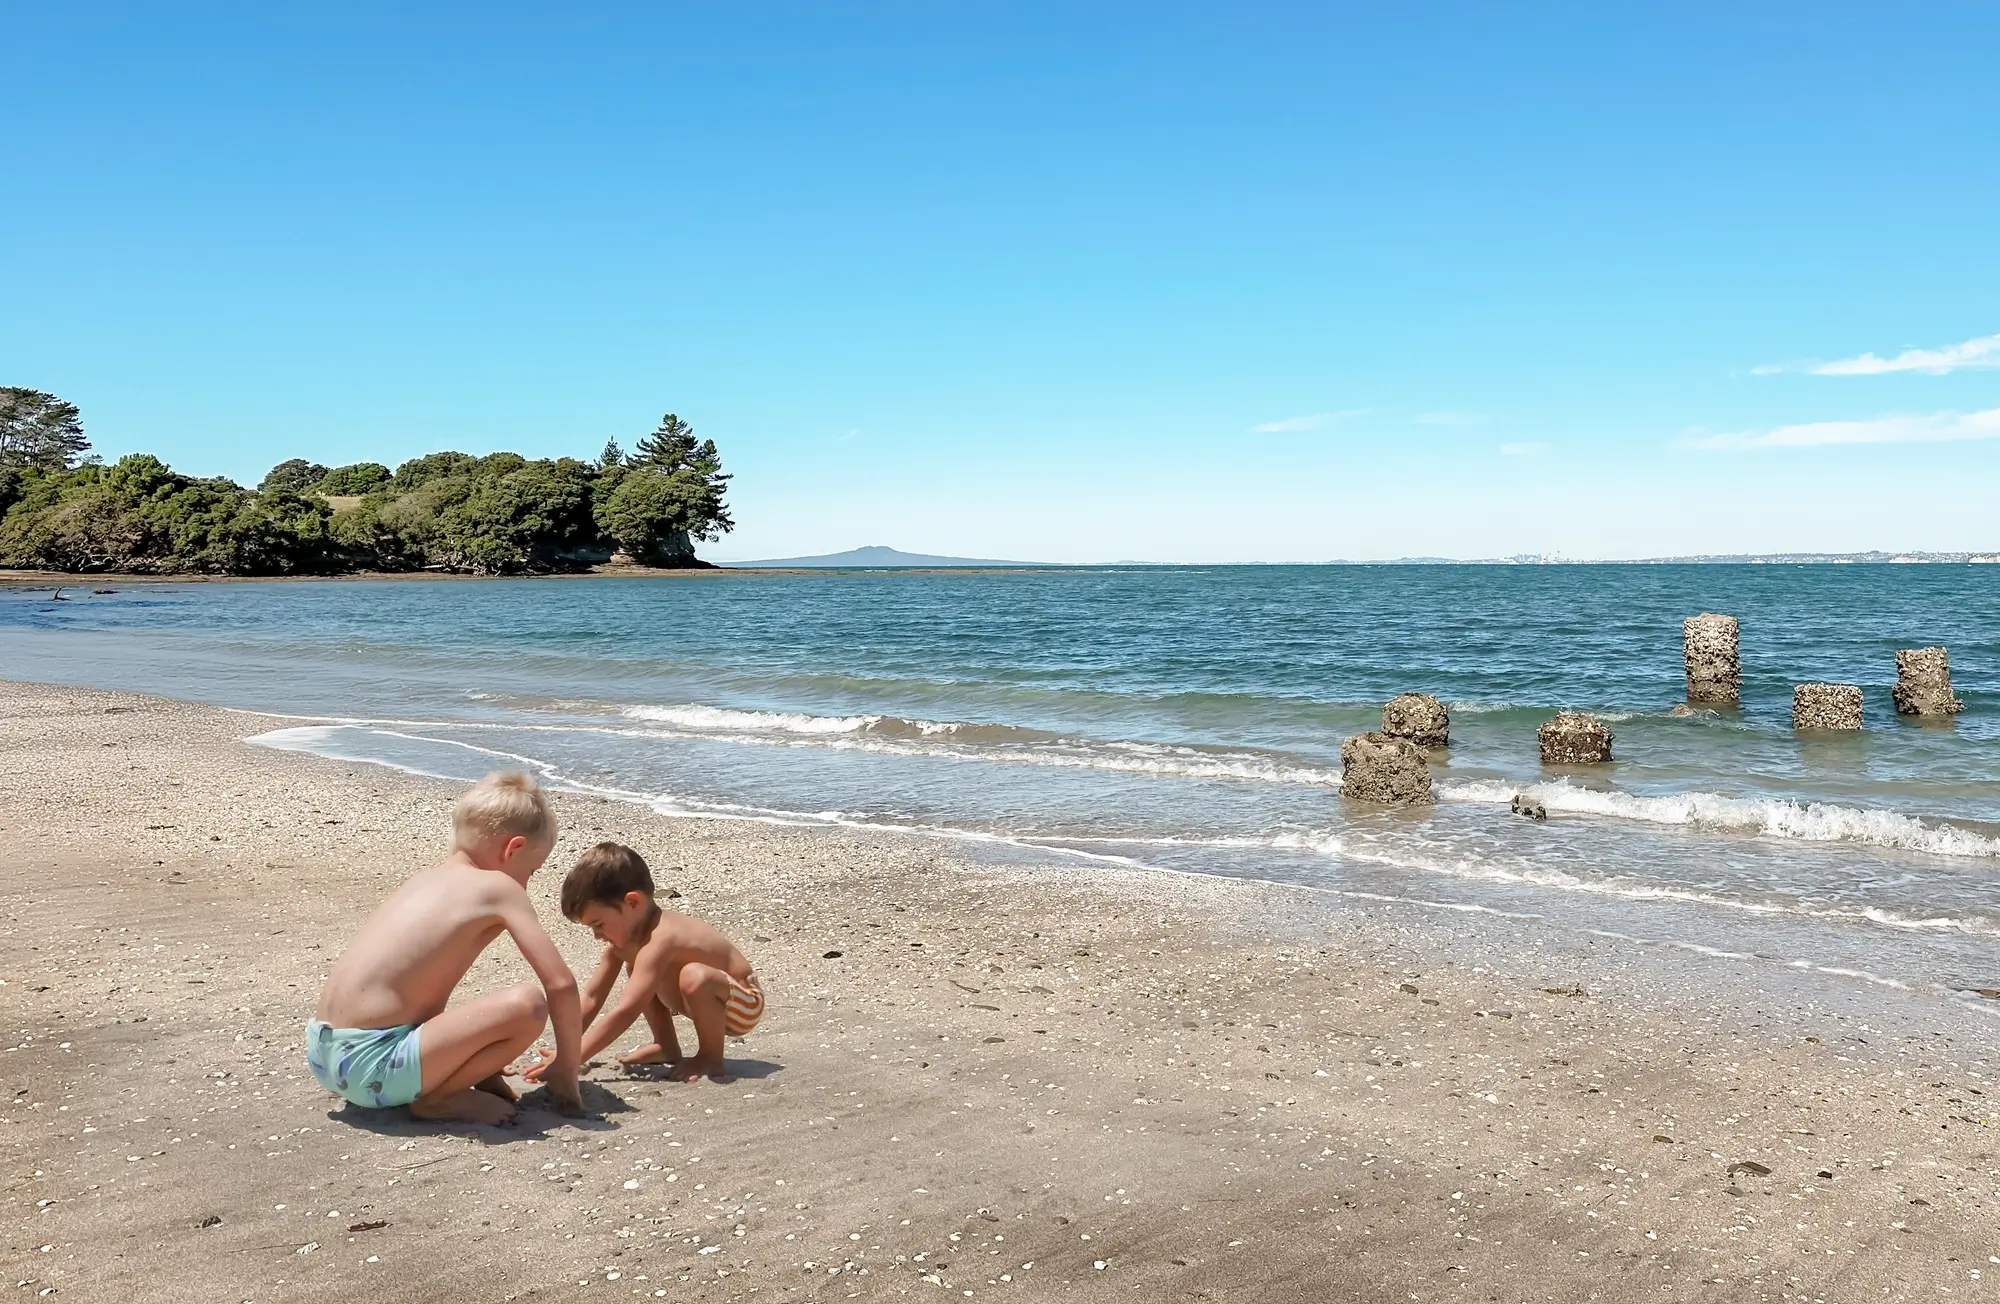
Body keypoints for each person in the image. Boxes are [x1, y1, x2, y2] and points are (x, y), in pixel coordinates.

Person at [307, 771, 583, 1124]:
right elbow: (560, 984)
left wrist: (480, 1066)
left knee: (454, 1006)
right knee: (527, 1006)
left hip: (324, 1053)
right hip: (373, 1066)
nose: (526, 881)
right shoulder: (498, 887)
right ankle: (438, 1100)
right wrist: (566, 1065)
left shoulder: (422, 880)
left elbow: (416, 1001)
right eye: (531, 869)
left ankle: (456, 1079)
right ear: (512, 849)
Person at [528, 841, 763, 1084]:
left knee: (694, 975)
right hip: (708, 1000)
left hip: (742, 1003)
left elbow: (627, 1009)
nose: (597, 935)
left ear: (633, 903)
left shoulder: (663, 938)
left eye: (599, 924)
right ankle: (665, 1045)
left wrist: (572, 1060)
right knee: (638, 966)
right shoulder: (626, 947)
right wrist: (565, 1050)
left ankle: (710, 1057)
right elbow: (592, 997)